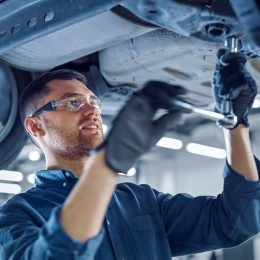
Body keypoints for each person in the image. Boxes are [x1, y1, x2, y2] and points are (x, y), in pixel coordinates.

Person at [0, 50, 259, 260]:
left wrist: (235, 125)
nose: (92, 112)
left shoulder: (141, 201)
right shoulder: (17, 215)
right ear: (35, 126)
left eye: (94, 103)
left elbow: (236, 221)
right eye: (73, 103)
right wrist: (106, 165)